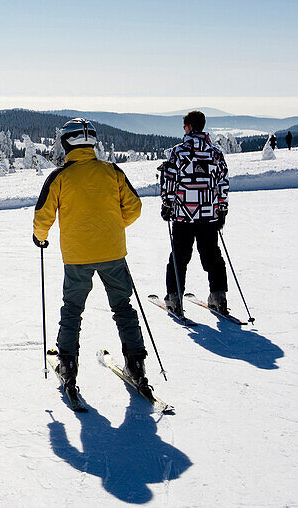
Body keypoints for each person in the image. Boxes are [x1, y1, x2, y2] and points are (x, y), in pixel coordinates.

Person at [33, 118, 150, 397]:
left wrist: (40, 237)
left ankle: (68, 366)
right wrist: (112, 227)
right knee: (123, 308)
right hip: (113, 253)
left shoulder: (60, 177)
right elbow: (134, 207)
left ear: (66, 143)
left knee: (72, 311)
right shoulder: (112, 172)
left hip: (77, 257)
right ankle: (137, 366)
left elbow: (42, 215)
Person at [158, 110, 231, 316]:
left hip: (183, 215)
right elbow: (223, 183)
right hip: (208, 214)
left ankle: (174, 297)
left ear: (189, 127)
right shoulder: (215, 153)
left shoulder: (178, 152)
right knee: (212, 256)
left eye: (184, 126)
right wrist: (222, 209)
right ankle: (218, 296)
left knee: (179, 257)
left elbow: (169, 181)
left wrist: (167, 204)